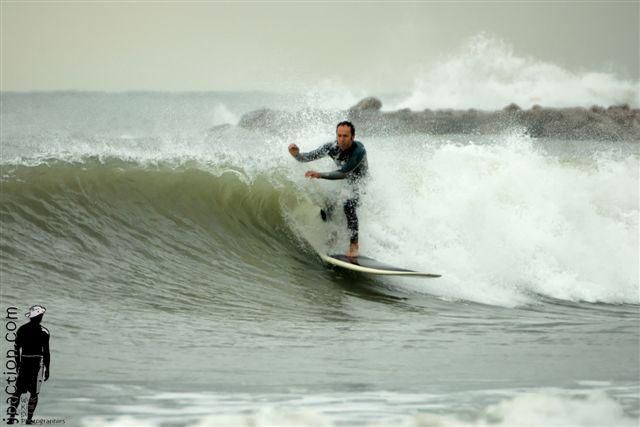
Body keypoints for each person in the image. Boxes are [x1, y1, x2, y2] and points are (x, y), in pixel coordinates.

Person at [288, 121, 368, 258]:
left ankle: (354, 245)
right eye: (339, 135)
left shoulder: (359, 150)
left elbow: (343, 173)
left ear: (352, 137)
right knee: (328, 206)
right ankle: (333, 235)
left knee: (349, 206)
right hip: (344, 180)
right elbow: (306, 157)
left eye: (345, 136)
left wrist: (320, 175)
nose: (341, 139)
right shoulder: (332, 147)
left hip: (359, 182)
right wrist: (296, 155)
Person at [7, 305, 51, 425]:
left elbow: (16, 348)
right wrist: (47, 369)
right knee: (34, 393)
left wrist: (17, 364)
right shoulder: (44, 332)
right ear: (40, 317)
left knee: (18, 391)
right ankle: (29, 419)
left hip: (24, 361)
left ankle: (11, 418)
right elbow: (46, 352)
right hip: (38, 363)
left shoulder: (22, 329)